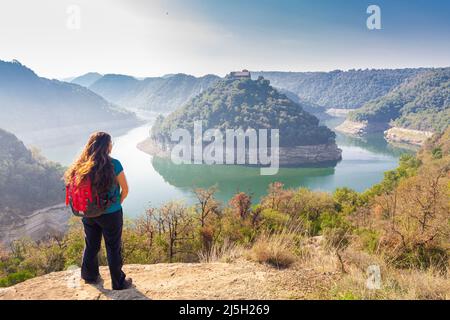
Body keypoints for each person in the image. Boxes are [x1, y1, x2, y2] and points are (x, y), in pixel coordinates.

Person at [64, 132, 132, 290]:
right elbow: (126, 189)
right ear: (107, 146)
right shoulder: (114, 164)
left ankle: (89, 276)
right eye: (111, 143)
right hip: (111, 214)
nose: (112, 146)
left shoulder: (80, 166)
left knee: (91, 244)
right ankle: (118, 282)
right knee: (113, 247)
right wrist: (117, 203)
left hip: (88, 213)